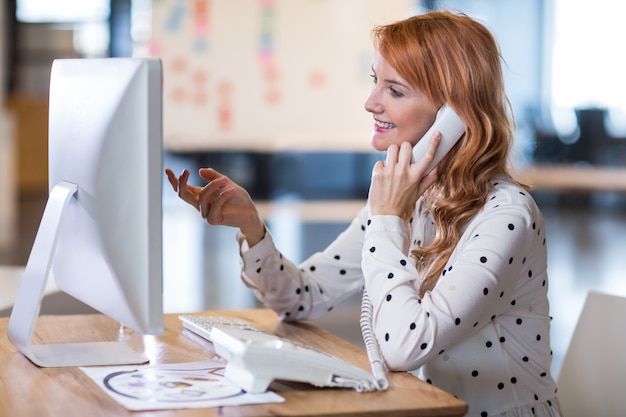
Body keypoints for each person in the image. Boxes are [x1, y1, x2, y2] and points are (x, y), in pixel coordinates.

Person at [165, 11, 562, 417]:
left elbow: (405, 345)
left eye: (395, 90)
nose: (371, 102)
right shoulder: (408, 197)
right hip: (423, 407)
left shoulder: (506, 215)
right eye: (376, 82)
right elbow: (302, 298)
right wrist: (252, 228)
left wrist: (388, 220)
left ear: (455, 114)